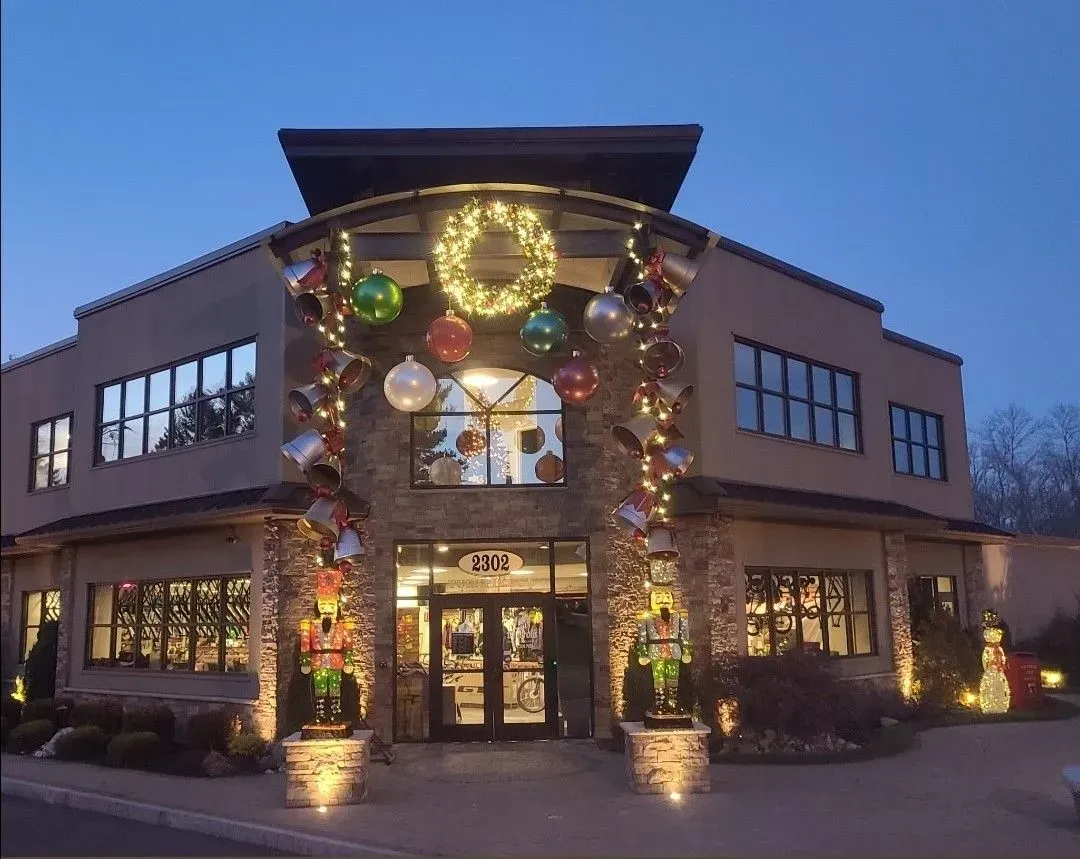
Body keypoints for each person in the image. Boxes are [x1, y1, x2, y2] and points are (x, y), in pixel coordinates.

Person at [299, 569, 356, 724]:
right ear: (318, 605)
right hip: (318, 660)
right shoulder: (310, 625)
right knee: (320, 688)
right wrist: (305, 661)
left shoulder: (343, 624)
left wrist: (349, 661)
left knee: (335, 687)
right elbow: (305, 643)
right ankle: (321, 713)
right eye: (323, 604)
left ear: (336, 606)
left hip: (336, 660)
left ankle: (336, 713)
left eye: (331, 605)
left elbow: (348, 644)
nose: (327, 608)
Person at [635, 586, 692, 718]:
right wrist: (643, 653)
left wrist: (686, 651)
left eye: (666, 596)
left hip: (673, 649)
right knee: (658, 678)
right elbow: (642, 636)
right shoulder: (647, 616)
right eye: (659, 597)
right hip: (656, 650)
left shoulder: (678, 615)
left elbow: (684, 634)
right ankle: (660, 703)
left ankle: (672, 703)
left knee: (673, 677)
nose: (663, 601)